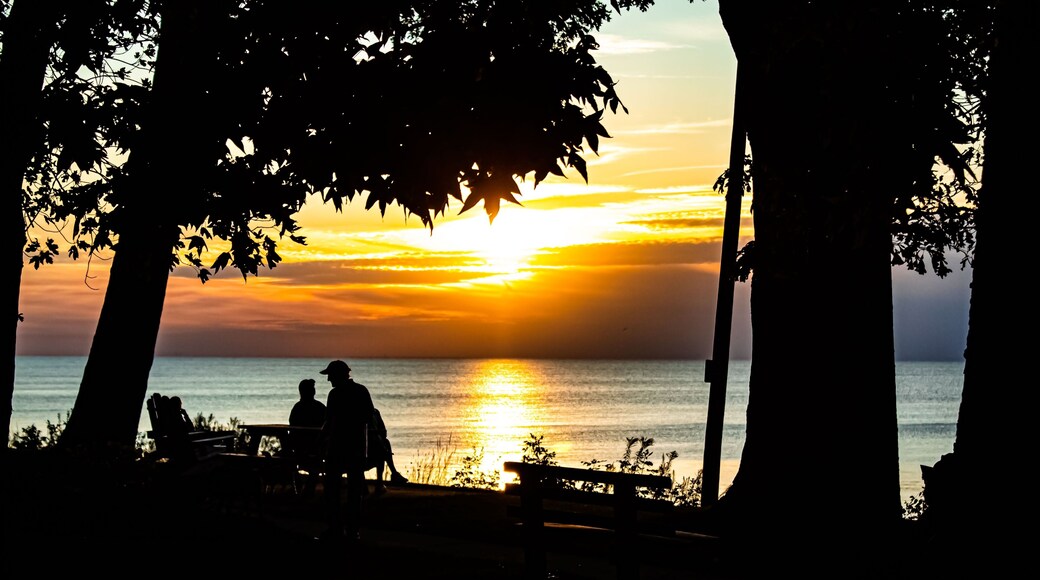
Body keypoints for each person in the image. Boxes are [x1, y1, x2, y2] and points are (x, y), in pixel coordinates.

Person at [318, 359, 373, 541]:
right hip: (356, 449)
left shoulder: (335, 395)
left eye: (330, 376)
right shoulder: (361, 391)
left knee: (333, 490)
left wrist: (321, 439)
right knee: (354, 492)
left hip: (339, 448)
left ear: (338, 375)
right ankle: (351, 530)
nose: (328, 380)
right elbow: (368, 417)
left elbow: (329, 421)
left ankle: (337, 528)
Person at [288, 378, 326, 496]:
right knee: (316, 462)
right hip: (315, 448)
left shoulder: (297, 408)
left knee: (290, 457)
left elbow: (292, 428)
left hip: (305, 447)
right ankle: (305, 487)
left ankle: (301, 486)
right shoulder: (320, 407)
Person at [368, 407, 408, 494]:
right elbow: (383, 432)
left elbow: (383, 432)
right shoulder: (373, 413)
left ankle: (392, 474)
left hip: (370, 449)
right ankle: (391, 475)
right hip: (366, 451)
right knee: (383, 446)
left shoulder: (374, 412)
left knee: (383, 444)